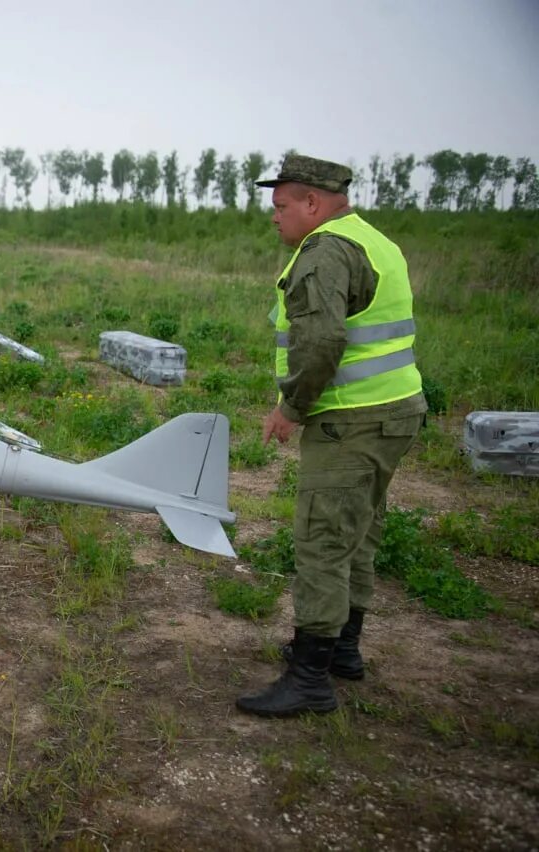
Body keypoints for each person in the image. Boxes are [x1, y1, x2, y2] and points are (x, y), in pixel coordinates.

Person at [236, 154, 427, 718]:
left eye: (281, 206)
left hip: (351, 420)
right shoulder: (374, 240)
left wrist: (291, 407)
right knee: (357, 533)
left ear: (312, 203)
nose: (275, 218)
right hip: (395, 412)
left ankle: (310, 677)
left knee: (322, 540)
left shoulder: (323, 253)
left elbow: (320, 342)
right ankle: (343, 650)